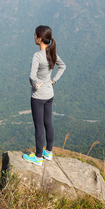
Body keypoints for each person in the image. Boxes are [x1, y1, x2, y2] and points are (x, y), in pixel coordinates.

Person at [23, 25, 66, 166]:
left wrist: (35, 86)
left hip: (38, 97)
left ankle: (38, 157)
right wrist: (53, 81)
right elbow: (63, 66)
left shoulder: (38, 56)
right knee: (48, 123)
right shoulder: (52, 53)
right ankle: (48, 151)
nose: (33, 37)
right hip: (49, 94)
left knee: (39, 126)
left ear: (40, 38)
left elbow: (31, 76)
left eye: (35, 35)